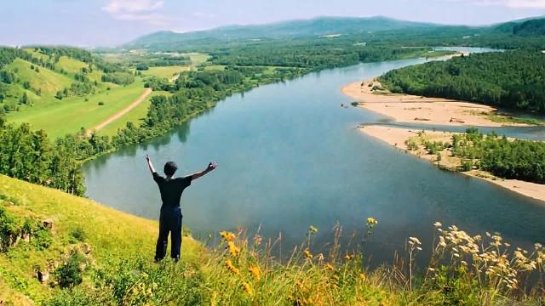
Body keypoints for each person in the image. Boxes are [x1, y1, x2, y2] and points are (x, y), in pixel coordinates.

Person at [145, 154, 217, 262]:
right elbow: (194, 176)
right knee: (176, 236)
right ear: (174, 172)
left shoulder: (161, 181)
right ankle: (175, 258)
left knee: (163, 235)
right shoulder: (179, 182)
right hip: (175, 212)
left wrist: (148, 161)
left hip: (164, 211)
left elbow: (153, 172)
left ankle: (159, 257)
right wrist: (207, 170)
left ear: (165, 171)